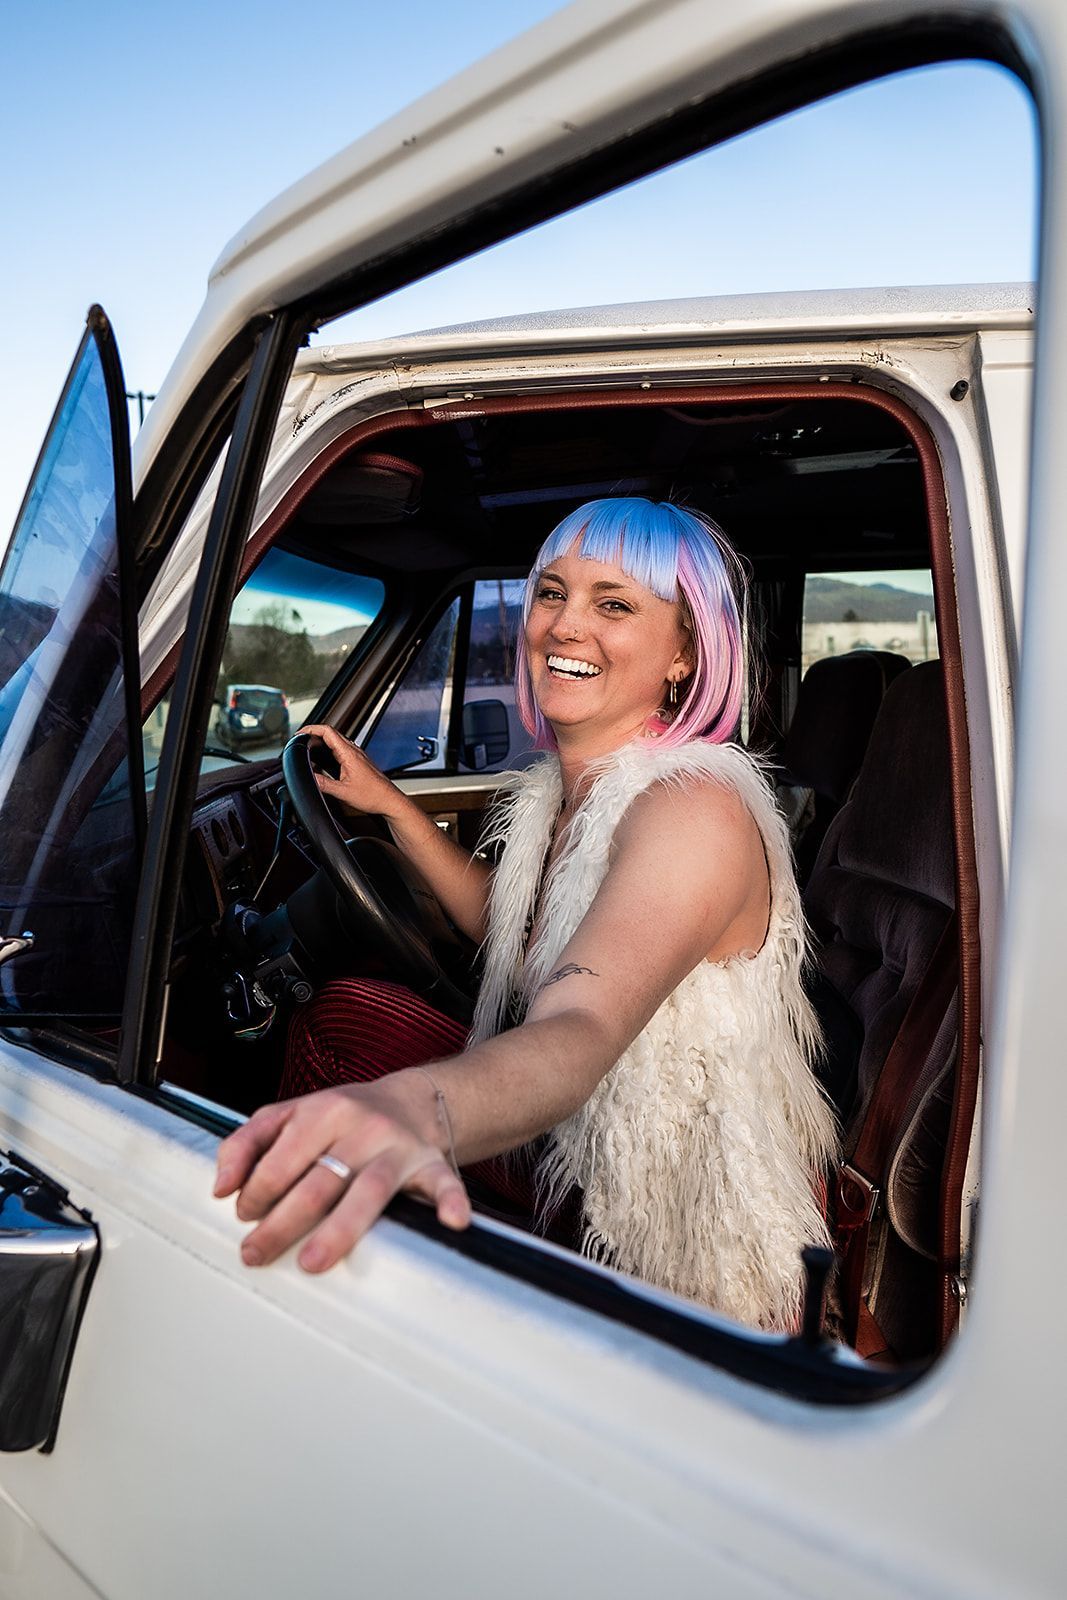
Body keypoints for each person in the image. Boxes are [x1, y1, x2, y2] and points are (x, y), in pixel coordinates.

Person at [215, 498, 837, 1331]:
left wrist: (414, 1111)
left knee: (345, 1022)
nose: (563, 626)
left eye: (612, 604)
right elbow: (529, 938)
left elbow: (578, 1018)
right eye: (550, 594)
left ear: (685, 652)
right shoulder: (562, 791)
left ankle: (279, 1289)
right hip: (571, 1152)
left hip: (669, 1224)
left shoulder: (693, 808)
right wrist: (393, 810)